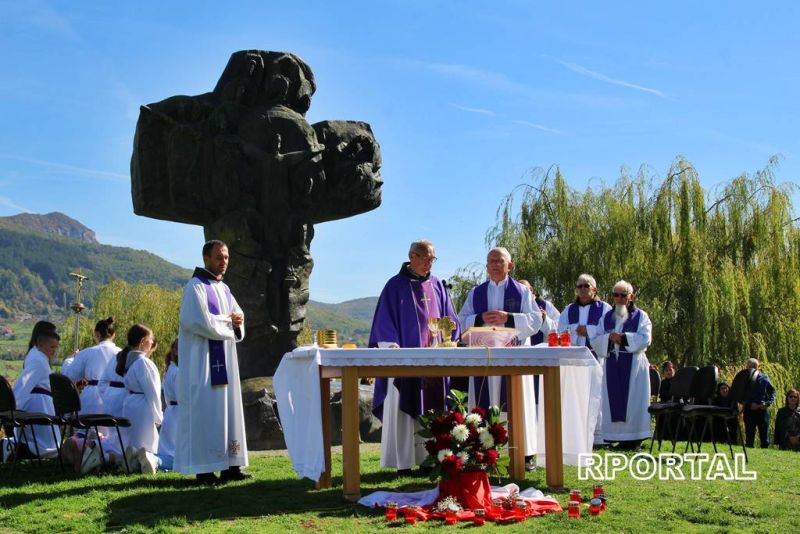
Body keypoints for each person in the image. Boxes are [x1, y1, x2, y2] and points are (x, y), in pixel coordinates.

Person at [370, 240, 460, 474]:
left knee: (435, 408)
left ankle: (430, 460)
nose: (428, 263)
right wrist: (391, 346)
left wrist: (450, 336)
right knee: (403, 409)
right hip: (403, 360)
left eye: (432, 259)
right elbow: (384, 321)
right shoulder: (395, 286)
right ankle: (403, 462)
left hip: (434, 361)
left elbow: (450, 319)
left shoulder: (438, 284)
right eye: (424, 258)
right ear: (411, 256)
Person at [175, 239, 250, 485]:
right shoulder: (195, 287)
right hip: (203, 365)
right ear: (206, 258)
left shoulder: (225, 290)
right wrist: (230, 322)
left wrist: (237, 321)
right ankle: (204, 469)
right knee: (206, 413)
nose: (224, 262)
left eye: (227, 257)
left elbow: (237, 317)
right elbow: (200, 323)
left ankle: (231, 466)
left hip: (225, 363)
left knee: (228, 410)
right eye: (219, 257)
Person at [458, 248, 542, 467]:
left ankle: (523, 453)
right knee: (484, 402)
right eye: (491, 261)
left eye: (499, 261)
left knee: (515, 401)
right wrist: (479, 317)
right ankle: (483, 452)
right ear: (486, 266)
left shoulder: (522, 292)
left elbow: (535, 320)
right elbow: (461, 320)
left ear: (509, 265)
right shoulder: (476, 292)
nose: (495, 265)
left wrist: (509, 317)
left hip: (512, 358)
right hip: (484, 357)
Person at [591, 280, 652, 450]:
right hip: (612, 362)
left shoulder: (641, 316)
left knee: (633, 401)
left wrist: (624, 338)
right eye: (615, 295)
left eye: (623, 295)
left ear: (631, 297)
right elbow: (595, 339)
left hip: (633, 366)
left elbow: (646, 338)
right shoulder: (606, 317)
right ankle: (613, 437)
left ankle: (634, 438)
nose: (618, 298)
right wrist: (609, 339)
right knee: (612, 401)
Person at [558, 274, 611, 445]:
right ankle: (576, 433)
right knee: (575, 395)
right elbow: (560, 330)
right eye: (579, 286)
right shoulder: (569, 309)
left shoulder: (604, 309)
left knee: (596, 393)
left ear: (594, 289)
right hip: (574, 359)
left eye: (586, 286)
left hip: (596, 357)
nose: (582, 289)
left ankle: (598, 434)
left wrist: (588, 330)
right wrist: (574, 330)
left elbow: (609, 331)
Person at [113, 324, 163, 474]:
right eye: (150, 339)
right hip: (143, 405)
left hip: (130, 403)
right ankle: (143, 458)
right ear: (143, 341)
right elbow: (153, 392)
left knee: (133, 438)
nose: (152, 342)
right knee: (146, 442)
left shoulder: (129, 361)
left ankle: (131, 458)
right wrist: (158, 416)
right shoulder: (143, 362)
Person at [11, 330, 62, 459]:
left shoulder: (39, 358)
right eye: (51, 347)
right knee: (47, 444)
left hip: (43, 403)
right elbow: (23, 384)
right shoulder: (39, 361)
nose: (54, 351)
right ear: (41, 344)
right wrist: (14, 408)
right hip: (38, 405)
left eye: (56, 348)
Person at [63, 317, 121, 415]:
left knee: (89, 429)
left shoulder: (87, 353)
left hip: (92, 399)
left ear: (97, 334)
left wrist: (70, 359)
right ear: (113, 335)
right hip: (115, 397)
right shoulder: (122, 353)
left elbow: (70, 375)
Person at [742, 358, 776, 448]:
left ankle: (766, 456)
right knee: (749, 437)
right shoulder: (743, 379)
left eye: (754, 367)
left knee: (764, 438)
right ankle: (749, 455)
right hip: (749, 410)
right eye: (749, 367)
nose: (752, 369)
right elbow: (739, 395)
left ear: (757, 367)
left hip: (763, 410)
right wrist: (749, 404)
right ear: (746, 367)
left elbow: (772, 392)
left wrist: (767, 403)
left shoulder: (764, 378)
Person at [157, 339, 179, 470]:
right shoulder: (177, 371)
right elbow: (182, 395)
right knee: (174, 453)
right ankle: (155, 460)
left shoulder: (171, 369)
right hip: (177, 413)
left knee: (168, 448)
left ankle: (148, 458)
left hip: (171, 411)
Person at [517, 279, 560, 346]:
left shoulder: (546, 306)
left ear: (531, 289)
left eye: (525, 290)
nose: (523, 294)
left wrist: (545, 320)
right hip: (520, 353)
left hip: (543, 353)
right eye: (519, 291)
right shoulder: (514, 307)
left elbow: (559, 329)